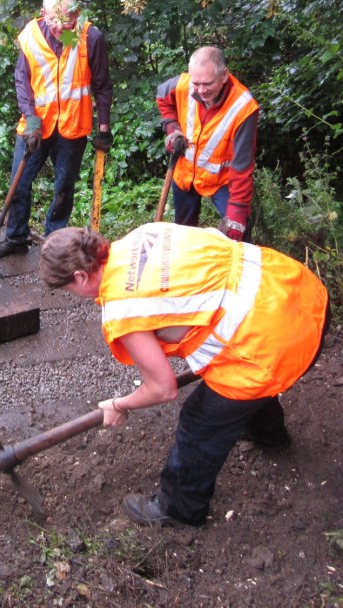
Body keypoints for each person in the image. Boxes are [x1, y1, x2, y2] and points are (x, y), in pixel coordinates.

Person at [39, 222, 330, 528]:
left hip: (279, 341)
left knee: (199, 421)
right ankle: (269, 435)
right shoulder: (144, 235)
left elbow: (162, 388)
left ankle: (178, 509)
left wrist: (119, 404)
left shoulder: (124, 309)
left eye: (67, 289)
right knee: (233, 380)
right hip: (301, 293)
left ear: (81, 277)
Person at [0, 0, 113, 258]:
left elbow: (102, 85)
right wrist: (32, 118)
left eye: (66, 20)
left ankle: (54, 241)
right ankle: (16, 237)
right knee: (20, 181)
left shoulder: (87, 38)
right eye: (53, 20)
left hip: (72, 126)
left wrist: (103, 126)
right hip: (36, 125)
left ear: (77, 15)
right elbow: (22, 82)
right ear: (43, 14)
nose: (59, 27)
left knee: (63, 188)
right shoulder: (31, 37)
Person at [156, 46, 259, 241]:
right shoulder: (184, 84)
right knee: (183, 236)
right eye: (197, 83)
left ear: (224, 75)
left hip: (221, 180)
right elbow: (162, 96)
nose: (201, 90)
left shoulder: (244, 107)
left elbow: (243, 164)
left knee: (239, 230)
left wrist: (237, 208)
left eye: (207, 84)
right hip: (185, 172)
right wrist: (171, 127)